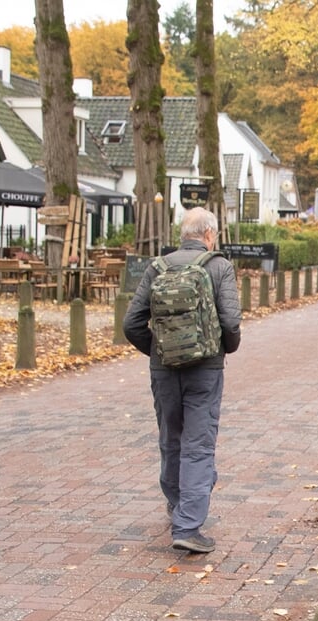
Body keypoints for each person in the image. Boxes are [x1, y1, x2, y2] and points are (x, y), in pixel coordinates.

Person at [124, 207, 242, 554]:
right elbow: (230, 322)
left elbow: (131, 323)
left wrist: (159, 351)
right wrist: (223, 350)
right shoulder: (218, 266)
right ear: (208, 235)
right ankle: (188, 525)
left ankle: (178, 506)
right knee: (198, 443)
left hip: (164, 369)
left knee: (170, 439)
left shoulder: (156, 267)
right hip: (204, 369)